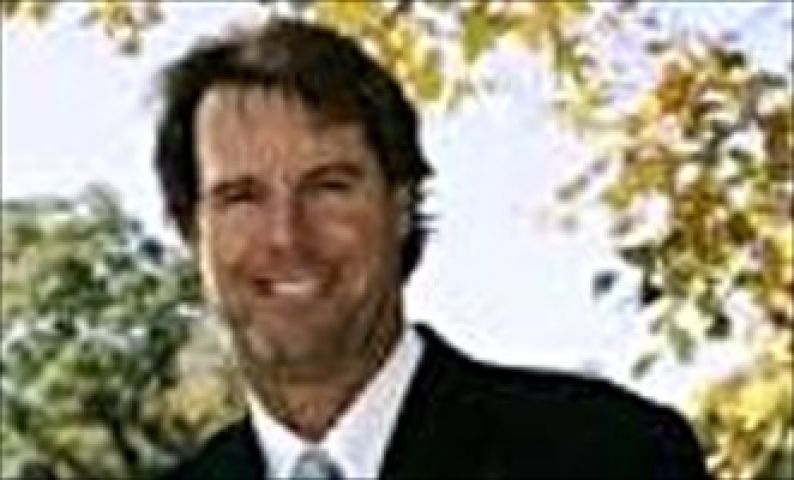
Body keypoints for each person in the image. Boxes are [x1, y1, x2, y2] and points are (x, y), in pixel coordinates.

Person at [154, 18, 709, 480]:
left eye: (328, 187)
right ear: (191, 231)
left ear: (400, 206)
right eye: (241, 197)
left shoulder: (613, 456)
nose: (286, 235)